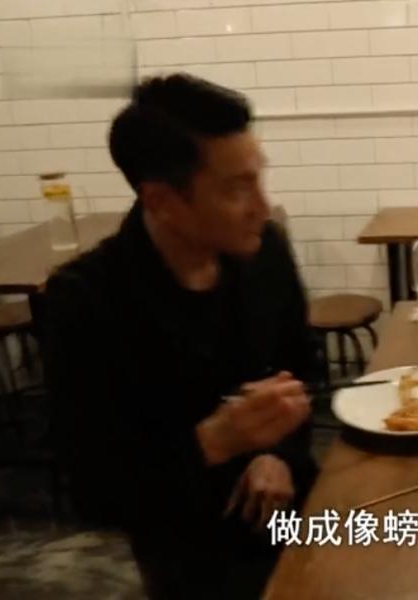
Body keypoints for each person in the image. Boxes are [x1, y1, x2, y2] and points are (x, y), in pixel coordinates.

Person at [42, 74, 322, 599]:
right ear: (162, 201)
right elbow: (94, 490)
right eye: (236, 189)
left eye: (259, 179)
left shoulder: (266, 251)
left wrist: (278, 452)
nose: (262, 207)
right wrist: (214, 441)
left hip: (293, 506)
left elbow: (305, 368)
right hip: (187, 542)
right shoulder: (85, 300)